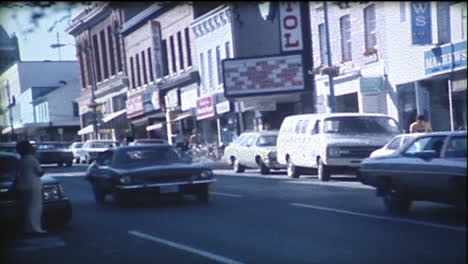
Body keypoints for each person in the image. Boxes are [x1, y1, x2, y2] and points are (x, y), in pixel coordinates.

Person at [15, 140, 47, 234]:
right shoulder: (33, 160)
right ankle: (36, 227)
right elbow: (39, 173)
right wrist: (43, 171)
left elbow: (17, 174)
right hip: (33, 185)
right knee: (35, 207)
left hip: (23, 185)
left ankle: (27, 227)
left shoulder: (20, 160)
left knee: (27, 207)